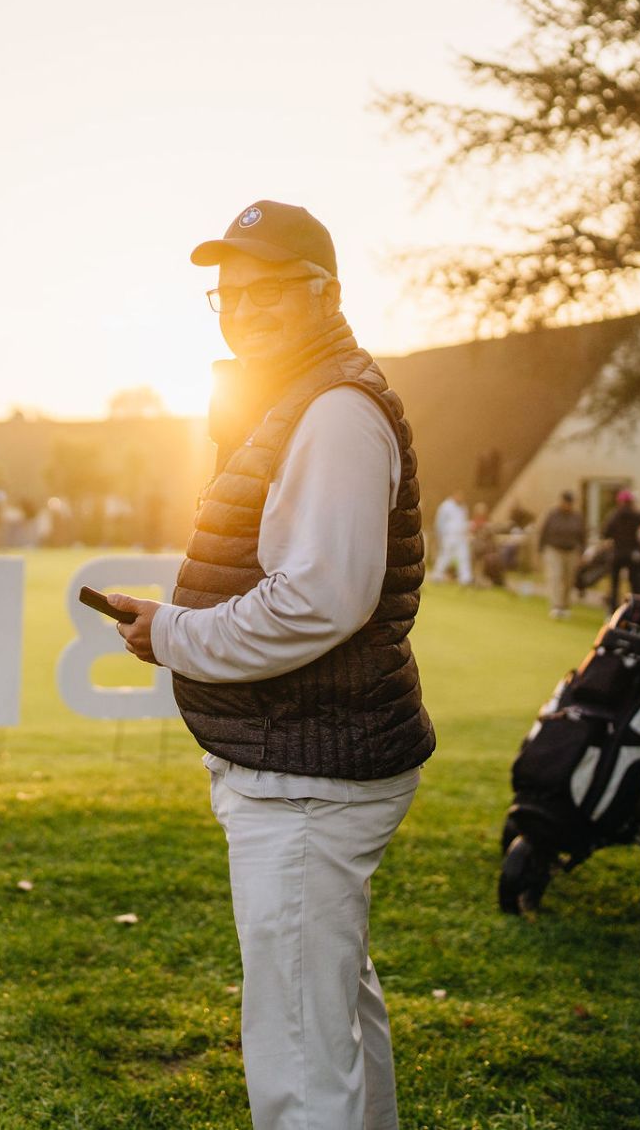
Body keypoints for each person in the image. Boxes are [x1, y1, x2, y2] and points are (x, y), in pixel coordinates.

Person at [106, 200, 434, 1130]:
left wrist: (176, 635)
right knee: (331, 1008)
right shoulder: (302, 396)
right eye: (229, 295)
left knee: (299, 1052)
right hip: (306, 756)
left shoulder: (334, 411)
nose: (243, 311)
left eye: (267, 291)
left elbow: (321, 599)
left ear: (324, 292)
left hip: (307, 771)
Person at [537, 490, 587, 619]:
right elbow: (543, 532)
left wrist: (582, 552)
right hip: (554, 549)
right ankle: (556, 606)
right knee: (555, 577)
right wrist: (540, 549)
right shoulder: (552, 515)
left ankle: (565, 605)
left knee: (568, 580)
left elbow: (582, 536)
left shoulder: (577, 517)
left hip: (571, 551)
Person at [600, 488, 640, 607]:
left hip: (617, 552)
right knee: (634, 582)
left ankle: (613, 609)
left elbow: (605, 533)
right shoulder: (636, 514)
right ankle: (634, 606)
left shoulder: (614, 515)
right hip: (632, 553)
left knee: (615, 583)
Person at [432, 490, 472, 585]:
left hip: (461, 536)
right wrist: (440, 536)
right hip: (449, 536)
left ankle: (465, 578)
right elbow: (439, 522)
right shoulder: (446, 506)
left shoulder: (463, 507)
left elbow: (464, 521)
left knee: (463, 556)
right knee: (445, 556)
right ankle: (437, 575)